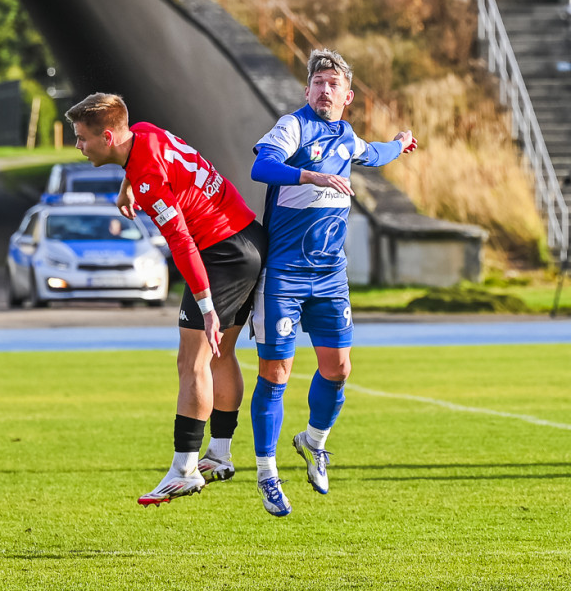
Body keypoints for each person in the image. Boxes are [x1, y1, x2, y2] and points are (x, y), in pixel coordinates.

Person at [65, 93, 267, 506]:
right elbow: (138, 160)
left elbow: (181, 241)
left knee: (191, 362)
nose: (78, 147)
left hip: (220, 254)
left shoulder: (148, 178)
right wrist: (126, 191)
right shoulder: (141, 131)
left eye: (82, 138)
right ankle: (220, 455)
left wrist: (207, 307)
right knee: (220, 356)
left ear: (106, 136)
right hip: (249, 235)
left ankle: (184, 470)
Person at [249, 49, 417, 517]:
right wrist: (309, 173)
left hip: (330, 276)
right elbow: (261, 167)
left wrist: (400, 144)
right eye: (317, 82)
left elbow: (374, 153)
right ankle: (267, 474)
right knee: (275, 375)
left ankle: (313, 442)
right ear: (307, 91)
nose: (324, 90)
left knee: (339, 370)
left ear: (348, 96)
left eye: (332, 84)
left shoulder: (346, 136)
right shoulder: (293, 126)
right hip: (283, 274)